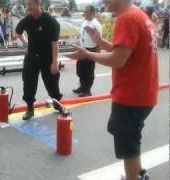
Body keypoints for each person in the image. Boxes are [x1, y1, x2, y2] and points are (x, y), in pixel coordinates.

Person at [67, 0, 158, 179]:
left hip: (131, 96)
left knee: (127, 146)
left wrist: (87, 54)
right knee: (127, 135)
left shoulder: (127, 19)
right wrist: (99, 41)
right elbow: (125, 50)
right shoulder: (139, 15)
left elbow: (118, 59)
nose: (102, 1)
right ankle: (139, 173)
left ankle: (133, 176)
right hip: (143, 93)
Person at [16, 0, 64, 120]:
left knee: (52, 83)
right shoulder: (27, 20)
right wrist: (26, 43)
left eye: (29, 5)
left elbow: (54, 43)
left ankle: (57, 103)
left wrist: (54, 62)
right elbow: (18, 32)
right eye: (26, 5)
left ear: (38, 3)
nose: (27, 8)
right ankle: (30, 108)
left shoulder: (50, 21)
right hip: (31, 58)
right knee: (28, 84)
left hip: (47, 58)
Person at [73, 5, 102, 97]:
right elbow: (82, 35)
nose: (84, 13)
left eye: (86, 11)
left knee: (88, 72)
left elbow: (99, 40)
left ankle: (87, 91)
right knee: (80, 70)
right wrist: (78, 42)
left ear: (92, 13)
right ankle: (82, 87)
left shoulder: (96, 24)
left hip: (91, 49)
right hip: (83, 48)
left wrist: (97, 54)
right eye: (84, 11)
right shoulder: (85, 22)